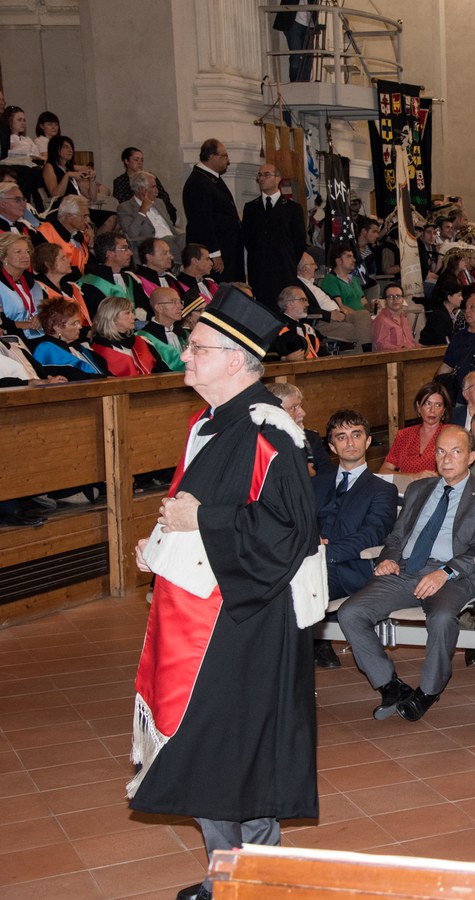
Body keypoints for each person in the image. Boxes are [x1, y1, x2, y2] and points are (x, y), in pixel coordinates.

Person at [129, 285, 320, 900]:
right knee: (215, 754)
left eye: (197, 347)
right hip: (204, 614)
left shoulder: (270, 431)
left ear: (236, 359)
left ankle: (253, 878)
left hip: (246, 621)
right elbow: (193, 504)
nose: (184, 355)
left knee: (235, 753)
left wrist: (201, 521)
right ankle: (234, 875)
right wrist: (162, 541)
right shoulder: (207, 423)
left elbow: (292, 531)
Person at [337, 426, 475, 722]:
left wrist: (444, 572)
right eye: (441, 452)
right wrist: (388, 559)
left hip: (453, 575)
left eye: (456, 452)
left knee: (442, 618)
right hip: (407, 570)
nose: (446, 459)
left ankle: (428, 690)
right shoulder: (418, 489)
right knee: (350, 613)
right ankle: (389, 684)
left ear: (471, 456)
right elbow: (397, 536)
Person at [311, 409, 398, 669]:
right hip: (309, 560)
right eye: (341, 437)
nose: (349, 442)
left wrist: (325, 550)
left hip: (350, 567)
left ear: (368, 441)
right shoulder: (316, 484)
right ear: (332, 446)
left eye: (356, 435)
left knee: (293, 584)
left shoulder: (382, 489)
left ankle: (310, 646)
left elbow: (372, 534)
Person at [240, 163, 305, 308]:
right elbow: (248, 239)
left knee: (284, 309)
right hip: (259, 270)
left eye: (266, 175)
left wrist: (286, 259)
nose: (262, 178)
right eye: (260, 175)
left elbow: (299, 242)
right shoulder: (251, 208)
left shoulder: (293, 208)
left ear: (278, 178)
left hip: (284, 269)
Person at [182, 139, 242, 282]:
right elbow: (202, 222)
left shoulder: (210, 177)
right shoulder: (198, 182)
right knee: (220, 289)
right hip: (215, 251)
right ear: (211, 157)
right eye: (225, 156)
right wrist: (214, 254)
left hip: (227, 247)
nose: (228, 161)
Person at [380, 382, 451, 478]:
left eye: (438, 405)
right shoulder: (404, 435)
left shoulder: (451, 434)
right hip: (406, 487)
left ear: (444, 410)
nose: (432, 410)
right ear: (418, 407)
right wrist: (413, 476)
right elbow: (383, 472)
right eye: (427, 404)